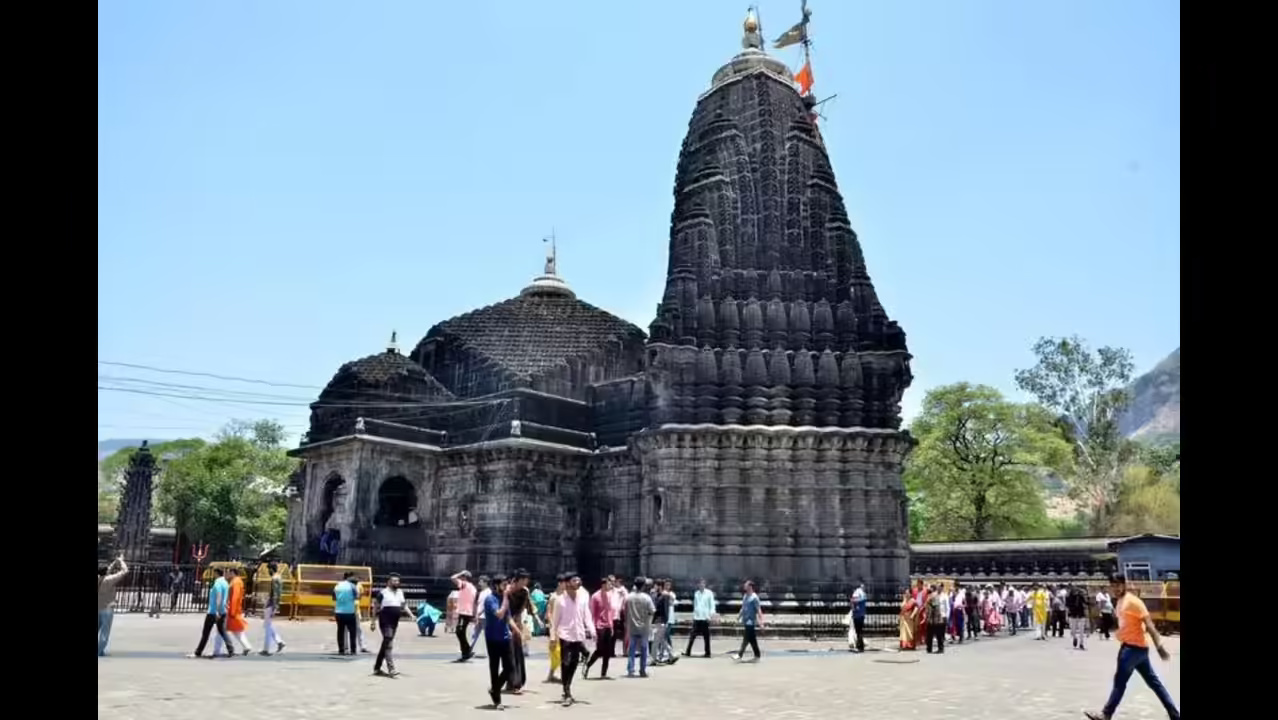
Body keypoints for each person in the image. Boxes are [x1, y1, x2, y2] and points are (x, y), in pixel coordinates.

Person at [1085, 574, 1180, 720]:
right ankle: (1175, 715)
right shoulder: (1120, 601)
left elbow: (1149, 625)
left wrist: (1159, 646)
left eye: (1118, 585)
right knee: (1154, 683)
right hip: (1139, 649)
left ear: (1124, 585)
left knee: (1120, 682)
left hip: (1131, 650)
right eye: (1113, 586)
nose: (1116, 589)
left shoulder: (1134, 602)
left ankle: (1106, 714)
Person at [553, 571, 593, 706]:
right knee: (565, 663)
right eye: (574, 580)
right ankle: (566, 691)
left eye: (578, 580)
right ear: (567, 583)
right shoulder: (560, 600)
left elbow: (587, 615)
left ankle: (567, 685)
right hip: (564, 635)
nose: (578, 582)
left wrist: (592, 630)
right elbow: (555, 621)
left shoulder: (583, 598)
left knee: (574, 662)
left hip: (578, 634)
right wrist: (553, 637)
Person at [482, 575, 516, 709]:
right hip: (492, 637)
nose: (506, 587)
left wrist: (516, 630)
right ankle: (497, 699)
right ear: (496, 585)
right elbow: (500, 614)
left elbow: (508, 617)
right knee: (494, 667)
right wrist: (506, 597)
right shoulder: (490, 599)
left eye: (507, 584)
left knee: (510, 667)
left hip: (505, 637)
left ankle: (495, 688)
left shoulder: (504, 598)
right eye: (504, 585)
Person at [189, 567, 234, 658]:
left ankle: (198, 652)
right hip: (222, 611)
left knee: (206, 633)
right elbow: (226, 596)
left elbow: (219, 596)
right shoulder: (225, 583)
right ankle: (231, 649)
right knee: (222, 631)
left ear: (216, 573)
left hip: (213, 611)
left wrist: (217, 610)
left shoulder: (217, 583)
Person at [372, 573, 410, 677]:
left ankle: (377, 668)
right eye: (394, 581)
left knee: (386, 644)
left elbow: (404, 605)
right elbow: (375, 607)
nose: (397, 583)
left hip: (394, 622)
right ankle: (391, 669)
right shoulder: (383, 593)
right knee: (388, 644)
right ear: (389, 582)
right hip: (385, 621)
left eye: (398, 581)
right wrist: (373, 621)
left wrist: (411, 615)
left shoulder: (400, 592)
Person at [584, 577, 617, 679]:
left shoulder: (609, 596)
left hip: (608, 625)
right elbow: (592, 613)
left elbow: (609, 612)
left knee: (608, 651)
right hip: (599, 625)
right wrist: (591, 628)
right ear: (603, 585)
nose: (610, 586)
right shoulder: (595, 597)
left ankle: (604, 673)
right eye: (608, 584)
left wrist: (611, 626)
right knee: (600, 649)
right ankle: (588, 665)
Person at [215, 567, 253, 656]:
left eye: (228, 572)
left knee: (223, 629)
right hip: (234, 609)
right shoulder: (237, 581)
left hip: (233, 609)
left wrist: (232, 610)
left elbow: (235, 597)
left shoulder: (236, 582)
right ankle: (246, 646)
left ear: (233, 572)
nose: (227, 574)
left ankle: (217, 650)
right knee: (236, 630)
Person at [624, 576, 656, 678]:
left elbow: (624, 610)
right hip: (644, 627)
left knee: (632, 649)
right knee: (644, 649)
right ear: (643, 586)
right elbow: (652, 611)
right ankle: (642, 670)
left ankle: (630, 669)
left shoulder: (629, 597)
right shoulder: (646, 598)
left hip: (632, 626)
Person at [97, 555, 129, 656]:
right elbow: (124, 571)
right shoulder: (109, 580)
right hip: (107, 609)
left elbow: (106, 571)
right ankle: (99, 651)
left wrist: (115, 562)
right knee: (104, 632)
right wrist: (121, 561)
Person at [258, 562, 287, 655]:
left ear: (271, 569)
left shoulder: (274, 579)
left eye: (268, 569)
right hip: (273, 604)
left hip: (271, 604)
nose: (268, 571)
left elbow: (275, 594)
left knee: (267, 626)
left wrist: (274, 606)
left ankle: (266, 649)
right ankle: (279, 642)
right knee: (268, 625)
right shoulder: (279, 577)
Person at [732, 580, 764, 661]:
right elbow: (743, 608)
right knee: (752, 639)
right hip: (745, 620)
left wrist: (761, 622)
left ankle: (740, 654)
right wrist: (738, 617)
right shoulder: (745, 596)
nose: (744, 586)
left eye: (746, 585)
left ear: (750, 587)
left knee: (746, 638)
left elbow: (758, 610)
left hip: (751, 620)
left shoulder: (754, 597)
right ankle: (757, 655)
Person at [684, 578, 716, 657]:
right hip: (697, 617)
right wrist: (694, 615)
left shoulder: (709, 593)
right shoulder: (696, 593)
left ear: (705, 584)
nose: (701, 585)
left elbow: (712, 605)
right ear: (698, 585)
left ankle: (707, 653)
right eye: (700, 584)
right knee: (692, 635)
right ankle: (688, 651)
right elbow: (695, 605)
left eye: (703, 583)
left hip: (705, 617)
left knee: (706, 636)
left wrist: (711, 615)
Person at [451, 570, 477, 661]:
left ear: (464, 577)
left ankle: (467, 650)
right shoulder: (473, 588)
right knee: (460, 632)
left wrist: (460, 572)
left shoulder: (464, 584)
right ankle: (466, 651)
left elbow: (452, 578)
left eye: (462, 576)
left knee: (459, 631)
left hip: (464, 612)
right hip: (467, 612)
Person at [545, 574, 566, 683]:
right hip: (555, 627)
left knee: (563, 651)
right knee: (556, 652)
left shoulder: (567, 596)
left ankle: (555, 675)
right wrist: (552, 625)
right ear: (559, 583)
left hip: (565, 627)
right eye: (564, 583)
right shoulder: (553, 597)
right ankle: (552, 674)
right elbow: (548, 612)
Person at [333, 571, 360, 654]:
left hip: (339, 611)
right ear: (349, 578)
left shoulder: (337, 585)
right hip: (349, 611)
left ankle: (341, 649)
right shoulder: (352, 586)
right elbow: (357, 596)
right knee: (352, 631)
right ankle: (353, 650)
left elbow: (334, 598)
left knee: (340, 631)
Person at [470, 575, 492, 653]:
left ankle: (491, 649)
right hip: (479, 616)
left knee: (487, 634)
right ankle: (469, 648)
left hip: (484, 616)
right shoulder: (481, 592)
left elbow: (487, 605)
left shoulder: (489, 592)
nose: (479, 583)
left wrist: (479, 613)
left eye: (481, 581)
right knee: (475, 633)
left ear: (486, 583)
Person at [925, 584, 946, 654]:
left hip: (935, 618)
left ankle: (940, 648)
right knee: (929, 634)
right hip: (932, 618)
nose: (928, 589)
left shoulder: (934, 596)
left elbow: (935, 607)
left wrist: (932, 617)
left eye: (929, 588)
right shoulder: (931, 595)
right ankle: (929, 648)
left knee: (938, 634)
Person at [1066, 584, 1089, 650]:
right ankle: (1075, 638)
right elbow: (1067, 607)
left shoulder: (1080, 596)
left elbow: (1085, 603)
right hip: (1072, 615)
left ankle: (1081, 643)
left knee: (1081, 630)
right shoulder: (1068, 597)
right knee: (1073, 631)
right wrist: (1066, 616)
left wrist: (1089, 602)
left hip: (1081, 615)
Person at [848, 582, 867, 653]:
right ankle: (860, 645)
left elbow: (853, 602)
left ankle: (860, 646)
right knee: (860, 631)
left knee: (858, 631)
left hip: (857, 615)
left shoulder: (856, 593)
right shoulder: (863, 594)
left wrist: (852, 603)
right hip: (862, 614)